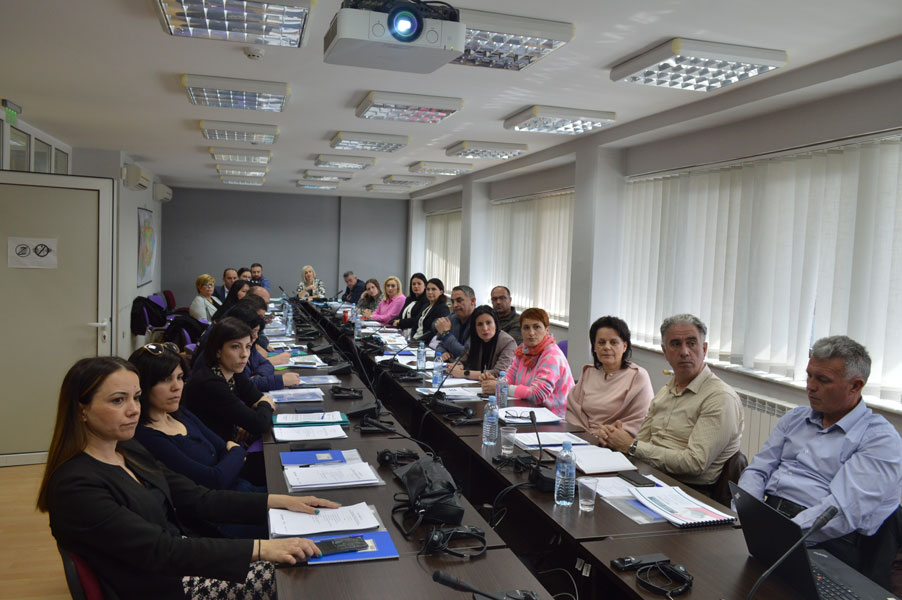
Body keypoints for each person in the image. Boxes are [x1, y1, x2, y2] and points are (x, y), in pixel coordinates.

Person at [37, 356, 338, 599]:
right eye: (118, 401)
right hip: (167, 586)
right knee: (299, 575)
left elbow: (199, 498)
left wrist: (279, 501)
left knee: (306, 558)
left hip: (181, 562)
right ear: (81, 411)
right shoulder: (76, 486)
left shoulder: (128, 450)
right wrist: (261, 549)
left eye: (136, 398)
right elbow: (161, 550)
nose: (133, 410)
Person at [738, 335, 902, 587]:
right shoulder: (795, 418)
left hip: (826, 541)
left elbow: (841, 512)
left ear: (855, 386)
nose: (810, 386)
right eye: (809, 375)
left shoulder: (879, 439)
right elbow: (758, 470)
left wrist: (778, 534)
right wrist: (744, 513)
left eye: (822, 380)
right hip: (771, 520)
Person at [599, 314, 743, 491]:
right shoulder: (666, 391)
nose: (684, 352)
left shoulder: (719, 397)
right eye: (675, 344)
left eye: (691, 343)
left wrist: (631, 446)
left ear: (704, 349)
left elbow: (695, 464)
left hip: (689, 491)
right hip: (649, 477)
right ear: (665, 351)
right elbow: (640, 443)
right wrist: (614, 437)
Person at [130, 342, 261, 493]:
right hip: (226, 499)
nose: (177, 387)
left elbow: (222, 447)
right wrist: (236, 452)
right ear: (143, 385)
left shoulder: (180, 414)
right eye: (166, 379)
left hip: (240, 485)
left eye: (180, 377)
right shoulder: (148, 437)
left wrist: (231, 457)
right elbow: (213, 480)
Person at [182, 317, 276, 445]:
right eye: (236, 347)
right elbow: (260, 423)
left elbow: (256, 400)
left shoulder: (233, 372)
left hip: (228, 441)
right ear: (218, 351)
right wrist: (265, 403)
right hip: (212, 450)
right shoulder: (210, 384)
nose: (244, 354)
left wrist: (250, 420)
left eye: (248, 347)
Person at [566, 316, 654, 438]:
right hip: (582, 438)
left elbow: (640, 419)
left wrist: (605, 435)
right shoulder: (589, 372)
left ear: (624, 346)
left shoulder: (638, 376)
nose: (607, 347)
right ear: (594, 347)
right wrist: (585, 436)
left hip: (615, 441)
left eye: (614, 342)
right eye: (601, 342)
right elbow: (573, 411)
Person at [481, 308, 574, 417]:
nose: (531, 333)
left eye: (536, 327)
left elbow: (538, 394)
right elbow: (510, 376)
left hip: (554, 417)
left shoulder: (552, 355)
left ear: (547, 330)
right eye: (526, 328)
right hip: (529, 412)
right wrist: (496, 382)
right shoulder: (524, 349)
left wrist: (501, 387)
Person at [449, 305, 516, 380]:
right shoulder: (475, 339)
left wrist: (463, 373)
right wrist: (457, 366)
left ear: (495, 323)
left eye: (488, 323)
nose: (485, 328)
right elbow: (461, 360)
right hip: (474, 385)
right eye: (480, 324)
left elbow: (498, 373)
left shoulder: (508, 343)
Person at [435, 285, 477, 360]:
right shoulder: (453, 318)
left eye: (459, 300)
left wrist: (446, 334)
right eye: (452, 301)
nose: (454, 305)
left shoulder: (479, 322)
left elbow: (465, 354)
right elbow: (440, 346)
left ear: (472, 301)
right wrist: (443, 353)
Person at [410, 278, 450, 345]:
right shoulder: (426, 305)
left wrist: (417, 341)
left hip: (425, 344)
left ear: (441, 291)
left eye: (433, 289)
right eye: (428, 289)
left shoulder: (442, 308)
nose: (430, 292)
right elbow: (415, 324)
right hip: (414, 340)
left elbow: (434, 331)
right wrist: (412, 338)